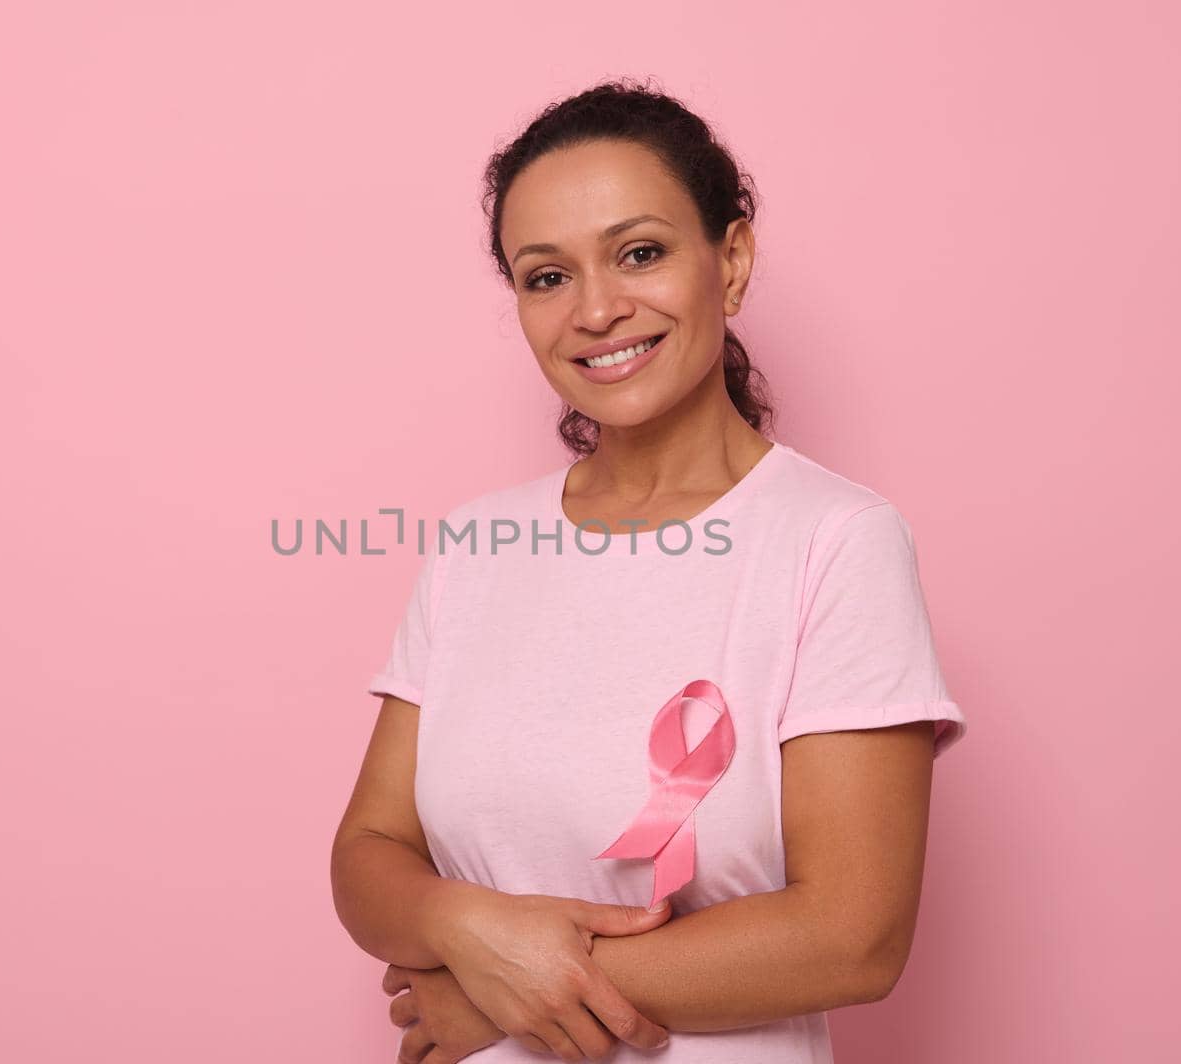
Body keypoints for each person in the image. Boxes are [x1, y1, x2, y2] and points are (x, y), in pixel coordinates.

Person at [331, 78, 968, 1063]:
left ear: (733, 258)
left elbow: (855, 934)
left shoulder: (835, 540)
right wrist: (468, 929)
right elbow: (367, 858)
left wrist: (504, 997)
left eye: (639, 252)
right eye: (545, 276)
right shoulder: (473, 543)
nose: (595, 308)